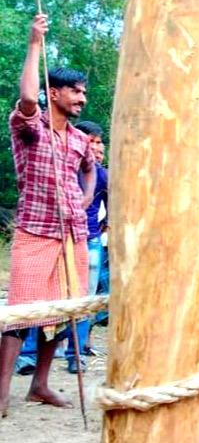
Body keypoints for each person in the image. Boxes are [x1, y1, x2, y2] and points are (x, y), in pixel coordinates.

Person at [1, 14, 96, 416]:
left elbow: (91, 168)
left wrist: (86, 199)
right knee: (22, 312)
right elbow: (26, 98)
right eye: (74, 91)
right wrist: (34, 43)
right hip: (35, 232)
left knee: (62, 311)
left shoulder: (79, 139)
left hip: (73, 234)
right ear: (52, 93)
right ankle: (1, 392)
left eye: (83, 92)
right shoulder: (30, 127)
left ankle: (39, 385)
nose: (81, 98)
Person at [61, 120, 108, 373]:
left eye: (100, 143)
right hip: (57, 237)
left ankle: (76, 354)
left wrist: (106, 225)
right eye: (94, 141)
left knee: (84, 298)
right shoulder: (64, 167)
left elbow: (113, 203)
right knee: (47, 298)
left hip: (88, 239)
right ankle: (29, 355)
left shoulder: (100, 173)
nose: (98, 147)